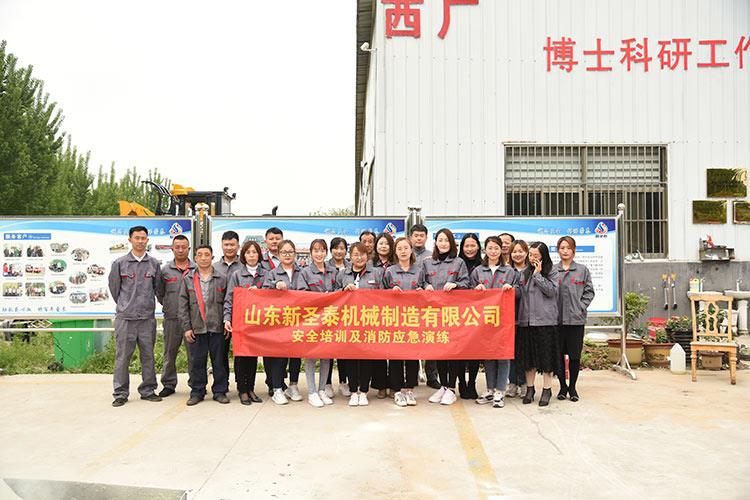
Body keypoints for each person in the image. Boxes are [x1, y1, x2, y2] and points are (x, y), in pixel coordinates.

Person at [108, 226, 162, 407]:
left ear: (147, 240)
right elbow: (115, 289)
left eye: (143, 238)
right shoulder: (119, 263)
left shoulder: (154, 264)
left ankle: (148, 390)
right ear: (130, 240)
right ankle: (120, 393)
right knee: (122, 357)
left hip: (147, 319)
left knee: (148, 356)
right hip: (126, 319)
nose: (140, 241)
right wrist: (126, 305)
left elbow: (158, 288)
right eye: (137, 238)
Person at [471, 236, 519, 408]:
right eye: (490, 248)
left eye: (496, 248)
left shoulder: (510, 271)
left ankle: (500, 390)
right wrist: (476, 289)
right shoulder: (478, 271)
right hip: (485, 320)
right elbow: (468, 295)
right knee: (488, 354)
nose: (493, 251)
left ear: (501, 250)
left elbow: (519, 292)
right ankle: (490, 389)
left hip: (504, 320)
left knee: (503, 355)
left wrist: (511, 289)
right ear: (485, 250)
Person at [335, 242, 384, 407]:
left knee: (365, 358)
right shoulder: (342, 274)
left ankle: (363, 391)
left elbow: (384, 296)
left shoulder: (376, 273)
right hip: (348, 323)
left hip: (369, 322)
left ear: (367, 256)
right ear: (350, 256)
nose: (359, 257)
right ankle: (352, 391)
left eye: (362, 254)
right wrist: (343, 291)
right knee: (351, 358)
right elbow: (333, 296)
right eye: (355, 254)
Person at [423, 228, 469, 406]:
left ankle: (451, 388)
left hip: (453, 314)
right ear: (435, 243)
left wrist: (456, 284)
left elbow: (466, 283)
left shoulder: (458, 262)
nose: (443, 243)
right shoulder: (428, 263)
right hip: (434, 314)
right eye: (440, 240)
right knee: (440, 351)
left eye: (446, 240)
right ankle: (443, 386)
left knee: (453, 352)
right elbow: (421, 281)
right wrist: (426, 285)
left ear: (451, 243)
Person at [179, 245, 229, 406]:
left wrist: (227, 322)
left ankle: (220, 391)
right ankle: (197, 391)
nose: (203, 258)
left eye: (207, 254)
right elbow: (183, 305)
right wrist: (187, 327)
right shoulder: (188, 279)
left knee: (219, 362)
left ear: (212, 257)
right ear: (195, 258)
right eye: (199, 255)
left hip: (217, 327)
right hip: (196, 327)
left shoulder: (222, 278)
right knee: (197, 362)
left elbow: (228, 303)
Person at [224, 240, 267, 405]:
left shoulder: (266, 274)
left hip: (258, 323)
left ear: (259, 254)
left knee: (253, 357)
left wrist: (260, 292)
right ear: (243, 255)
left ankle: (251, 388)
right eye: (248, 252)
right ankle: (242, 390)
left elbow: (273, 295)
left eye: (254, 252)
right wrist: (227, 318)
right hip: (241, 322)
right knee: (241, 356)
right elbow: (229, 298)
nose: (251, 255)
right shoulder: (236, 275)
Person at [383, 237, 424, 407]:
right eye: (399, 248)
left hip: (413, 319)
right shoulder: (390, 271)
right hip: (394, 319)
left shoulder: (419, 271)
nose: (403, 251)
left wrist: (422, 290)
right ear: (395, 251)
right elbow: (380, 294)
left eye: (406, 248)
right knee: (396, 355)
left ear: (411, 250)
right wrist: (390, 291)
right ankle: (397, 390)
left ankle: (409, 390)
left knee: (412, 355)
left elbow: (425, 290)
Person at [554, 236, 595, 402]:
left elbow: (589, 292)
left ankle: (572, 387)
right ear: (558, 250)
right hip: (556, 320)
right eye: (562, 248)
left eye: (568, 248)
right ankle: (562, 387)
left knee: (575, 356)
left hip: (575, 320)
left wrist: (581, 307)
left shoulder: (582, 270)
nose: (565, 251)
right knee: (558, 355)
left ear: (574, 250)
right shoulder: (552, 270)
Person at [297, 238, 337, 407]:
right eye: (316, 250)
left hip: (330, 319)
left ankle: (322, 390)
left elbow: (340, 290)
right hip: (312, 319)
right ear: (311, 253)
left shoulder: (333, 271)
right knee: (311, 356)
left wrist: (333, 296)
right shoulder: (305, 272)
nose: (319, 254)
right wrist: (320, 298)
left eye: (322, 250)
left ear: (326, 252)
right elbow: (301, 294)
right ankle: (312, 392)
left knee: (326, 355)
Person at [262, 239, 303, 405]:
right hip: (279, 322)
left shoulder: (302, 272)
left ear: (295, 254)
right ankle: (277, 388)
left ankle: (293, 385)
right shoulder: (272, 273)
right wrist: (275, 285)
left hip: (298, 320)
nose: (287, 255)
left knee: (296, 355)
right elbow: (264, 291)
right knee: (279, 356)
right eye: (284, 252)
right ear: (278, 255)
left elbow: (307, 292)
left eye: (290, 252)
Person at [156, 234, 195, 397]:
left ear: (189, 249)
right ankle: (169, 384)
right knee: (169, 353)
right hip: (172, 318)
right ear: (172, 249)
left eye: (183, 247)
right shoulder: (165, 270)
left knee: (194, 355)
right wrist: (169, 306)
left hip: (193, 321)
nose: (180, 250)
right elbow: (160, 292)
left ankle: (196, 384)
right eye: (177, 247)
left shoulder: (196, 269)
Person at [522, 242, 560, 407]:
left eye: (536, 255)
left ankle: (547, 389)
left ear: (543, 256)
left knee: (546, 359)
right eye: (530, 255)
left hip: (546, 321)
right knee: (529, 359)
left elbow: (551, 291)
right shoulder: (525, 272)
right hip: (527, 321)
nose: (532, 258)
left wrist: (538, 275)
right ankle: (530, 389)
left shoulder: (552, 271)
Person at [409, 223, 440, 389]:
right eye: (416, 236)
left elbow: (432, 278)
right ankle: (412, 376)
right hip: (409, 306)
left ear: (426, 237)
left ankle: (432, 376)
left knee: (431, 339)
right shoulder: (405, 253)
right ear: (410, 237)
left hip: (429, 305)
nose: (419, 238)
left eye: (422, 235)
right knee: (412, 338)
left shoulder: (432, 256)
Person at [214, 231, 241, 388]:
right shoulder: (214, 267)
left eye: (232, 244)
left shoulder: (244, 267)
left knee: (241, 352)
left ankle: (241, 384)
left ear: (238, 246)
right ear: (222, 245)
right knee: (220, 353)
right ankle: (222, 385)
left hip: (241, 317)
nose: (229, 248)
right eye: (226, 245)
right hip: (219, 316)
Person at [259, 226, 284, 395]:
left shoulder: (290, 260)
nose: (274, 241)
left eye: (277, 238)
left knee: (285, 349)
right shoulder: (260, 262)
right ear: (266, 241)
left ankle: (281, 381)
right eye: (271, 239)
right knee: (269, 350)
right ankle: (271, 382)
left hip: (288, 313)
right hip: (268, 313)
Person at [370, 232, 396, 399]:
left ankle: (394, 385)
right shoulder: (369, 264)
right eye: (380, 243)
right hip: (375, 312)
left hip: (395, 313)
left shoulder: (397, 264)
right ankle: (380, 385)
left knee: (394, 350)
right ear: (376, 246)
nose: (384, 246)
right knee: (378, 351)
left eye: (387, 243)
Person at [457, 233, 482, 400]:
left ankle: (472, 383)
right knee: (459, 351)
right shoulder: (456, 263)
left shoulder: (483, 265)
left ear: (478, 247)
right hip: (457, 313)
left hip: (477, 314)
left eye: (473, 245)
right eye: (466, 246)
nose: (470, 249)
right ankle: (461, 383)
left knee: (474, 350)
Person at [507, 240, 531, 398]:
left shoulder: (532, 270)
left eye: (520, 251)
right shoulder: (507, 271)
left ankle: (523, 383)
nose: (517, 254)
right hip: (509, 317)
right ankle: (512, 383)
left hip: (527, 317)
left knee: (524, 352)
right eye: (514, 251)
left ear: (526, 252)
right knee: (511, 352)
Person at [326, 237, 350, 397]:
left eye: (342, 248)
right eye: (336, 248)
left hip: (346, 315)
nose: (339, 251)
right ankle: (327, 383)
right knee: (328, 349)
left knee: (343, 349)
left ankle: (343, 381)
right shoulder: (325, 266)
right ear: (331, 250)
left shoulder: (350, 266)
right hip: (328, 314)